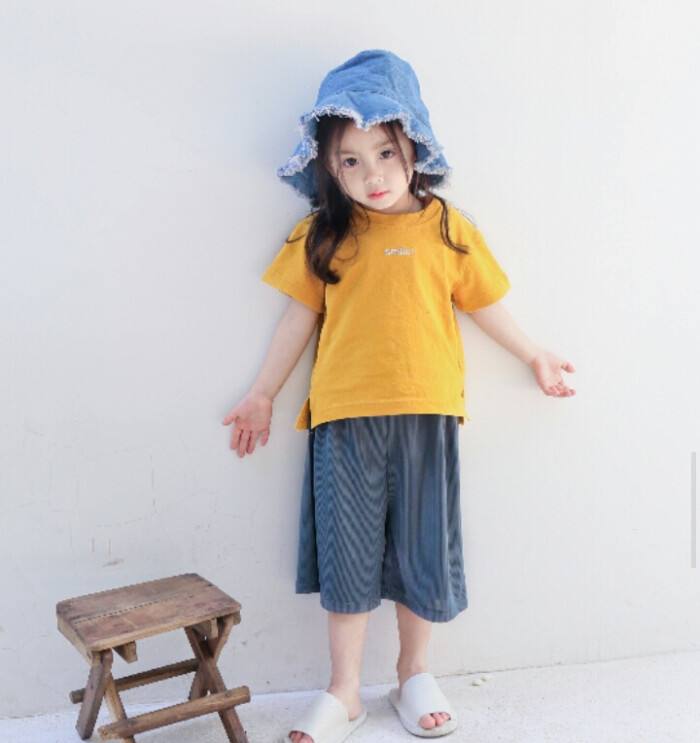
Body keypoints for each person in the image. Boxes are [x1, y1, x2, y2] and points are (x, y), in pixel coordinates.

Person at [222, 49, 576, 743]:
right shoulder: (324, 235)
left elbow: (483, 304)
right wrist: (262, 393)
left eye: (385, 153)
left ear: (415, 146)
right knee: (349, 555)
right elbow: (297, 318)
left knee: (421, 551)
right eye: (350, 161)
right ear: (328, 167)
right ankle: (344, 690)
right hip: (344, 418)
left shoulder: (446, 228)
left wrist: (534, 353)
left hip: (427, 411)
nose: (372, 175)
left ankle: (414, 674)